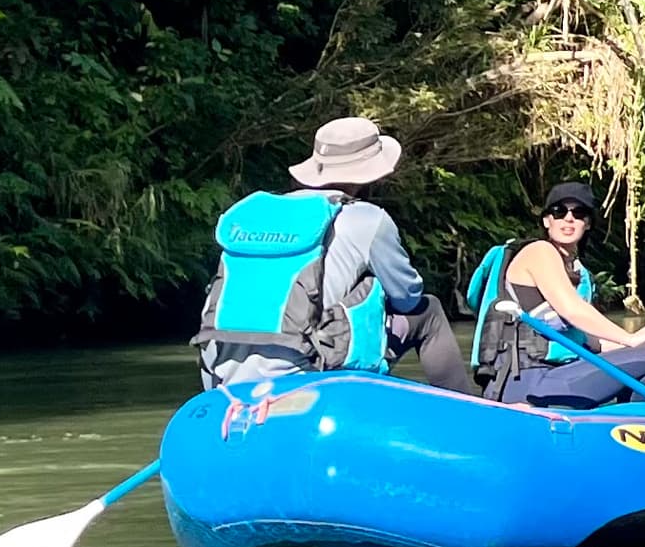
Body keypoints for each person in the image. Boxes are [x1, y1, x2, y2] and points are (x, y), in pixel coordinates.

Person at [197, 114, 464, 389]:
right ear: (370, 172)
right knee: (428, 310)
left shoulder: (256, 216)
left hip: (219, 373)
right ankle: (465, 412)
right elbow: (408, 299)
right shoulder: (368, 218)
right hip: (307, 368)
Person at [481, 178, 645, 406]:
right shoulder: (539, 251)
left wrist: (635, 344)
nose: (569, 218)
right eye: (559, 211)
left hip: (557, 375)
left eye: (579, 212)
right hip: (525, 380)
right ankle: (640, 433)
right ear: (546, 221)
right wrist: (630, 338)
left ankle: (626, 428)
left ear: (588, 223)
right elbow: (572, 310)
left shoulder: (578, 273)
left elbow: (591, 342)